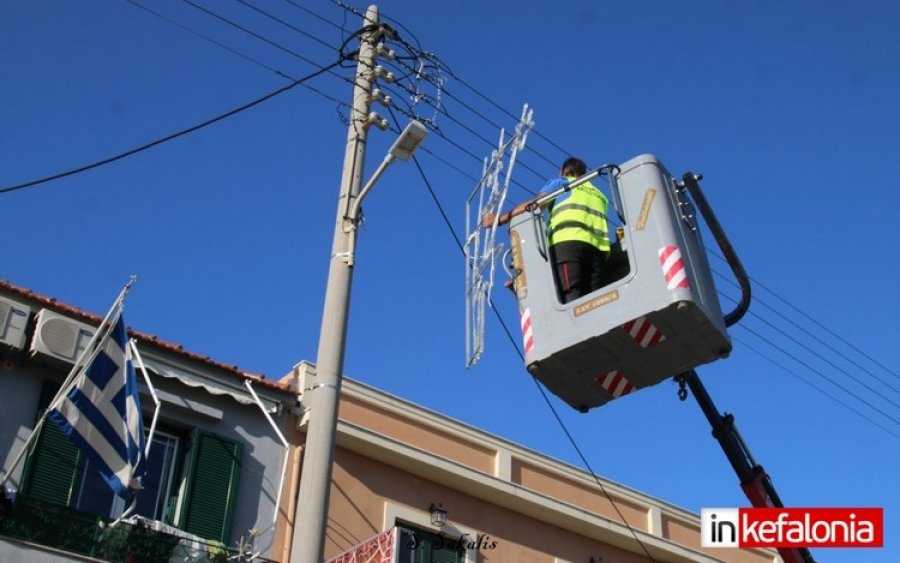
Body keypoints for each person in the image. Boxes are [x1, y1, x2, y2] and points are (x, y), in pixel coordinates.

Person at [484, 157, 611, 303]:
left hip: (568, 244)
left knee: (569, 299)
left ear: (564, 171)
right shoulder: (600, 195)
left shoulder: (563, 182)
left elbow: (535, 204)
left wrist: (501, 219)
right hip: (599, 252)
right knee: (592, 303)